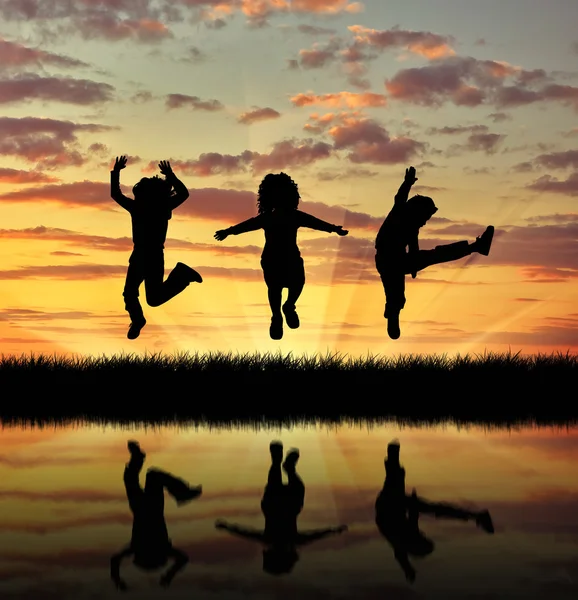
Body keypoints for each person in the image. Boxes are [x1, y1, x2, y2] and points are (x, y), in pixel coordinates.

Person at [214, 172, 348, 340]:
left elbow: (315, 222)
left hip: (290, 257)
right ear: (270, 197)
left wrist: (334, 229)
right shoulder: (268, 217)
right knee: (275, 289)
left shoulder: (294, 215)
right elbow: (249, 225)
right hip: (272, 259)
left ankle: (289, 306)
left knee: (298, 282)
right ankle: (276, 316)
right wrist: (229, 231)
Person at [375, 166, 495, 340]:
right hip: (387, 261)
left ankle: (475, 247)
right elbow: (400, 198)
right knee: (397, 299)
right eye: (425, 218)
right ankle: (392, 313)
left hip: (401, 261)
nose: (425, 222)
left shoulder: (413, 228)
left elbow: (414, 248)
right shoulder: (399, 213)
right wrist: (407, 182)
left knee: (435, 256)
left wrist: (415, 264)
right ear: (416, 212)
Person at [215, 440, 348, 575]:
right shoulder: (283, 541)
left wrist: (227, 527)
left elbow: (245, 533)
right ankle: (285, 467)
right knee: (286, 488)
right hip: (285, 504)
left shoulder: (278, 540)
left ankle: (280, 464)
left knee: (277, 488)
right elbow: (315, 536)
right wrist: (333, 531)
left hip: (278, 504)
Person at [375, 440, 494, 583]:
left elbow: (401, 555)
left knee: (398, 483)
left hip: (388, 506)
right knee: (433, 508)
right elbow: (413, 519)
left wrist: (408, 570)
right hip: (392, 508)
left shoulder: (401, 540)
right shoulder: (406, 539)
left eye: (424, 537)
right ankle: (475, 516)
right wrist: (408, 570)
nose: (424, 534)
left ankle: (393, 455)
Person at [111, 156, 203, 339]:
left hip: (148, 255)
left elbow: (116, 194)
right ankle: (138, 320)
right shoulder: (159, 206)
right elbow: (184, 194)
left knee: (136, 295)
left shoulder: (144, 206)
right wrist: (171, 176)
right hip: (145, 255)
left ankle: (182, 276)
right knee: (142, 296)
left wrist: (117, 172)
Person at [110, 440, 202, 590]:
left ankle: (138, 458)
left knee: (143, 477)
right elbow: (115, 560)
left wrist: (170, 573)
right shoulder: (141, 549)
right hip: (147, 510)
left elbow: (182, 559)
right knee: (149, 476)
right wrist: (169, 574)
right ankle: (182, 493)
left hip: (144, 510)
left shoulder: (151, 549)